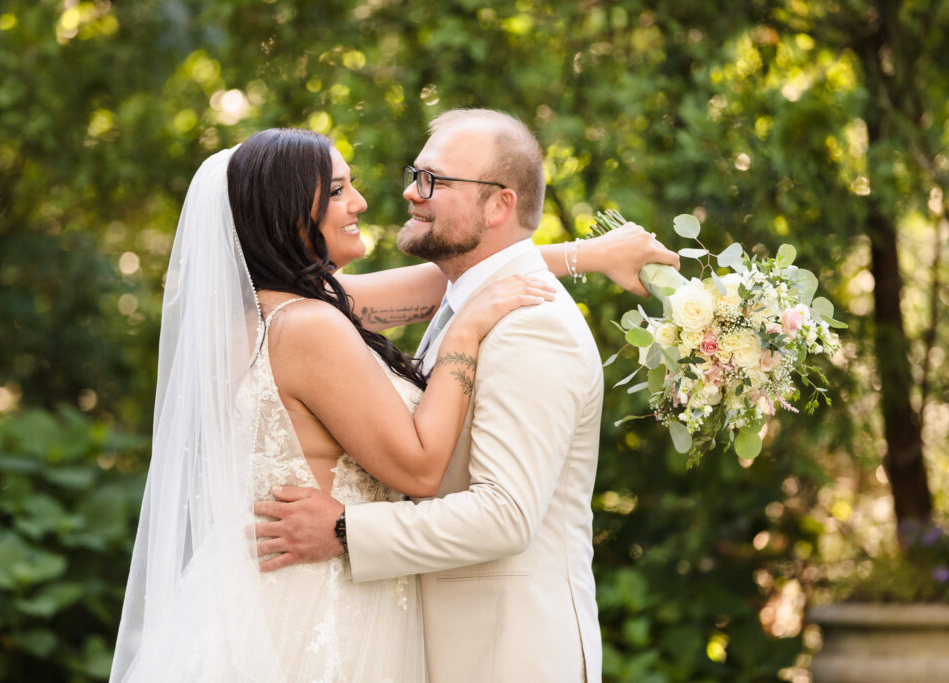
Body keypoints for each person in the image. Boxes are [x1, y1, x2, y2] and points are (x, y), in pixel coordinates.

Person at [110, 124, 674, 682]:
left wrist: (588, 256)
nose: (361, 200)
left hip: (270, 601)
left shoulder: (263, 314)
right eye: (336, 191)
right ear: (285, 212)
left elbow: (455, 278)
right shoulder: (309, 326)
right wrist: (466, 332)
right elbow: (421, 465)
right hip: (310, 611)